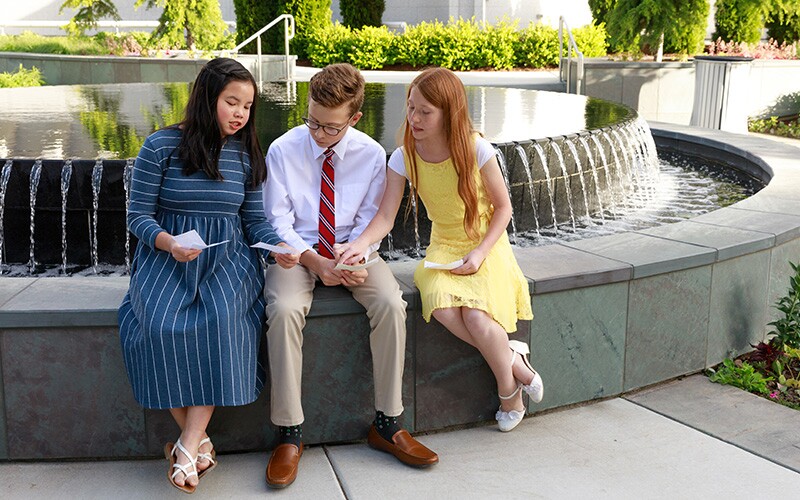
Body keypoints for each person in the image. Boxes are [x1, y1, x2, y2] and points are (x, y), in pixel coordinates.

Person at [118, 57, 299, 494]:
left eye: (247, 106)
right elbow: (136, 215)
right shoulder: (160, 147)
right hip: (167, 260)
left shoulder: (246, 154)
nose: (240, 113)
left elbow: (255, 223)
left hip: (227, 262)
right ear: (206, 98)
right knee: (157, 327)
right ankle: (196, 444)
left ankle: (187, 445)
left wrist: (281, 249)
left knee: (221, 323)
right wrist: (168, 243)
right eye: (231, 102)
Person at [261, 62, 439, 489]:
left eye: (330, 127)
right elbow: (277, 221)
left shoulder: (372, 154)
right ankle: (289, 433)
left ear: (354, 118)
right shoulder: (283, 150)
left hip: (353, 252)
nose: (319, 133)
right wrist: (315, 261)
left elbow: (370, 218)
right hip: (298, 254)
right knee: (284, 309)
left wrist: (352, 256)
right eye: (312, 122)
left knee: (392, 303)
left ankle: (388, 423)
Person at [339, 67, 543, 433]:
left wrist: (479, 253)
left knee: (478, 319)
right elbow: (385, 216)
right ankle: (513, 358)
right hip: (443, 247)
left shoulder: (476, 148)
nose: (414, 118)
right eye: (411, 107)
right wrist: (359, 244)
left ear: (449, 112)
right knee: (445, 310)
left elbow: (504, 209)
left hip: (486, 245)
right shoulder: (404, 157)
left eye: (425, 111)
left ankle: (508, 391)